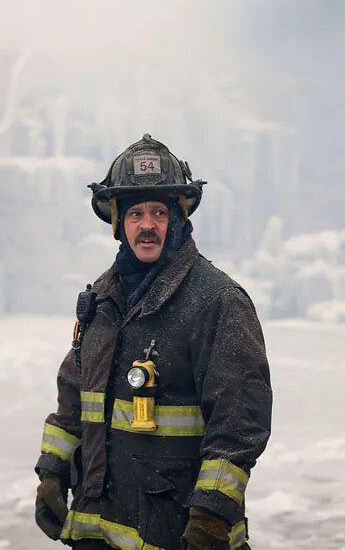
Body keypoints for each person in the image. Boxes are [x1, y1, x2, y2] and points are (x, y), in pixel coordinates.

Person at [33, 134, 273, 550]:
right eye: (136, 213)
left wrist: (212, 514)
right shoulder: (103, 301)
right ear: (118, 223)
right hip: (98, 530)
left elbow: (239, 422)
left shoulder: (218, 302)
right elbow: (75, 397)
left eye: (159, 212)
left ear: (178, 219)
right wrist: (52, 471)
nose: (147, 225)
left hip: (179, 533)